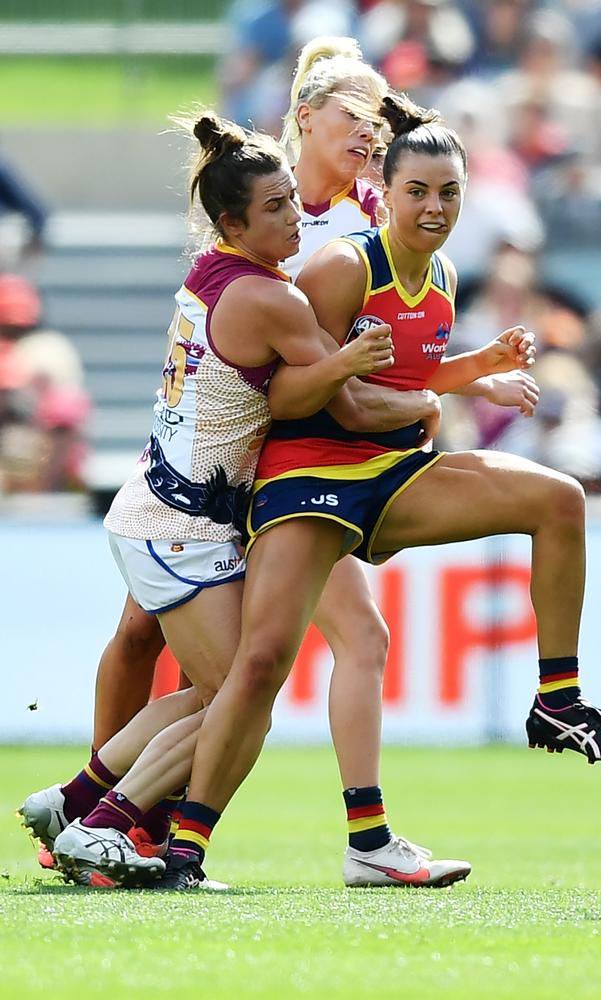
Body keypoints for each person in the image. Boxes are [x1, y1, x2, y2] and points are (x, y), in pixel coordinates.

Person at [50, 93, 601, 895]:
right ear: (382, 191)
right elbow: (306, 396)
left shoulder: (410, 275)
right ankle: (122, 825)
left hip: (308, 481)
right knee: (242, 675)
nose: (435, 206)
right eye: (417, 189)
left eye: (450, 192)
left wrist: (472, 372)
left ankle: (552, 703)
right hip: (280, 486)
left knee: (552, 502)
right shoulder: (318, 275)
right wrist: (435, 402)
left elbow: (390, 378)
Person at [20, 103, 456, 889]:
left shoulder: (214, 272)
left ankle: (74, 800)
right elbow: (338, 401)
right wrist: (398, 388)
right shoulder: (274, 299)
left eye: (294, 199)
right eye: (277, 208)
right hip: (180, 521)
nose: (295, 218)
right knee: (238, 689)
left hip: (164, 508)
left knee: (219, 684)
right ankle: (103, 825)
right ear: (231, 220)